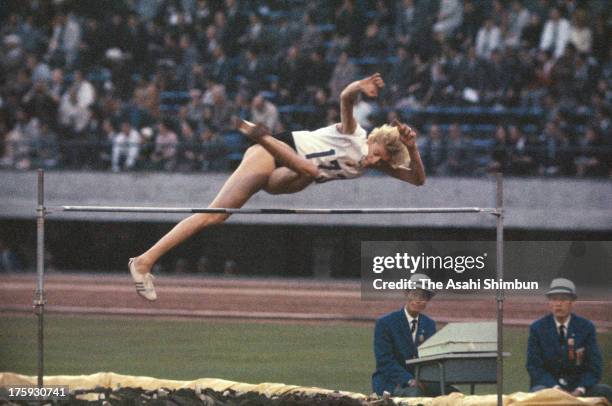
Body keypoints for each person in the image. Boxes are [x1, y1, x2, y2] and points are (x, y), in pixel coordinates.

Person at [129, 73, 426, 300]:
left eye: (380, 161)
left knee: (311, 173)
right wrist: (360, 85)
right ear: (373, 139)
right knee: (216, 214)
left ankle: (262, 135)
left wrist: (412, 150)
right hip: (272, 154)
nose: (373, 162)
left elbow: (417, 179)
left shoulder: (377, 162)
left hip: (289, 179)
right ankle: (144, 262)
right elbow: (346, 98)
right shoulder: (354, 134)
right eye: (375, 154)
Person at [527, 278, 612, 402]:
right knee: (537, 392)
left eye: (563, 299)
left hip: (579, 390)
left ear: (572, 302)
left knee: (604, 391)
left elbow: (595, 367)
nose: (558, 304)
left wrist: (579, 390)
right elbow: (534, 366)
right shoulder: (537, 328)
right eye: (554, 299)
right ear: (549, 302)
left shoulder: (586, 327)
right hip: (549, 388)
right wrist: (556, 389)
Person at [372, 273, 455, 397]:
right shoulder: (385, 323)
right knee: (416, 394)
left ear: (428, 300)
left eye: (424, 296)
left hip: (422, 382)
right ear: (406, 293)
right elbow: (384, 361)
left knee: (454, 394)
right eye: (415, 294)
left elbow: (431, 357)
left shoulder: (429, 324)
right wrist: (409, 380)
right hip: (391, 382)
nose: (418, 300)